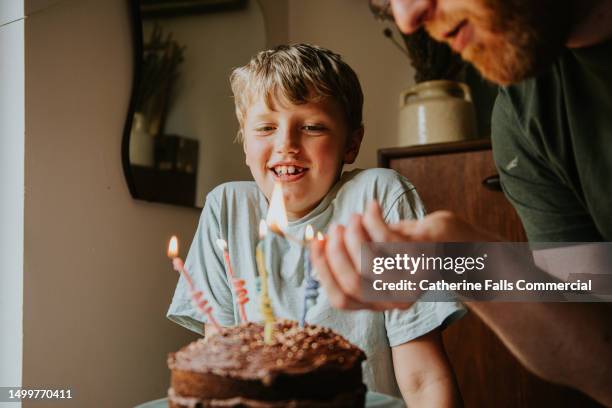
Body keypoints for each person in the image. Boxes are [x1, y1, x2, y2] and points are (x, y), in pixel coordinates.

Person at [311, 0, 612, 405]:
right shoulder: (525, 116)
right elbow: (598, 351)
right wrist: (457, 253)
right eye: (386, 5)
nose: (408, 17)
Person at [166, 43, 466, 406]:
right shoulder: (226, 209)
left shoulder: (379, 201)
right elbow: (223, 374)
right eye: (265, 127)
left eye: (311, 127)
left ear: (351, 143)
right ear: (244, 142)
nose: (286, 145)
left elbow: (423, 378)